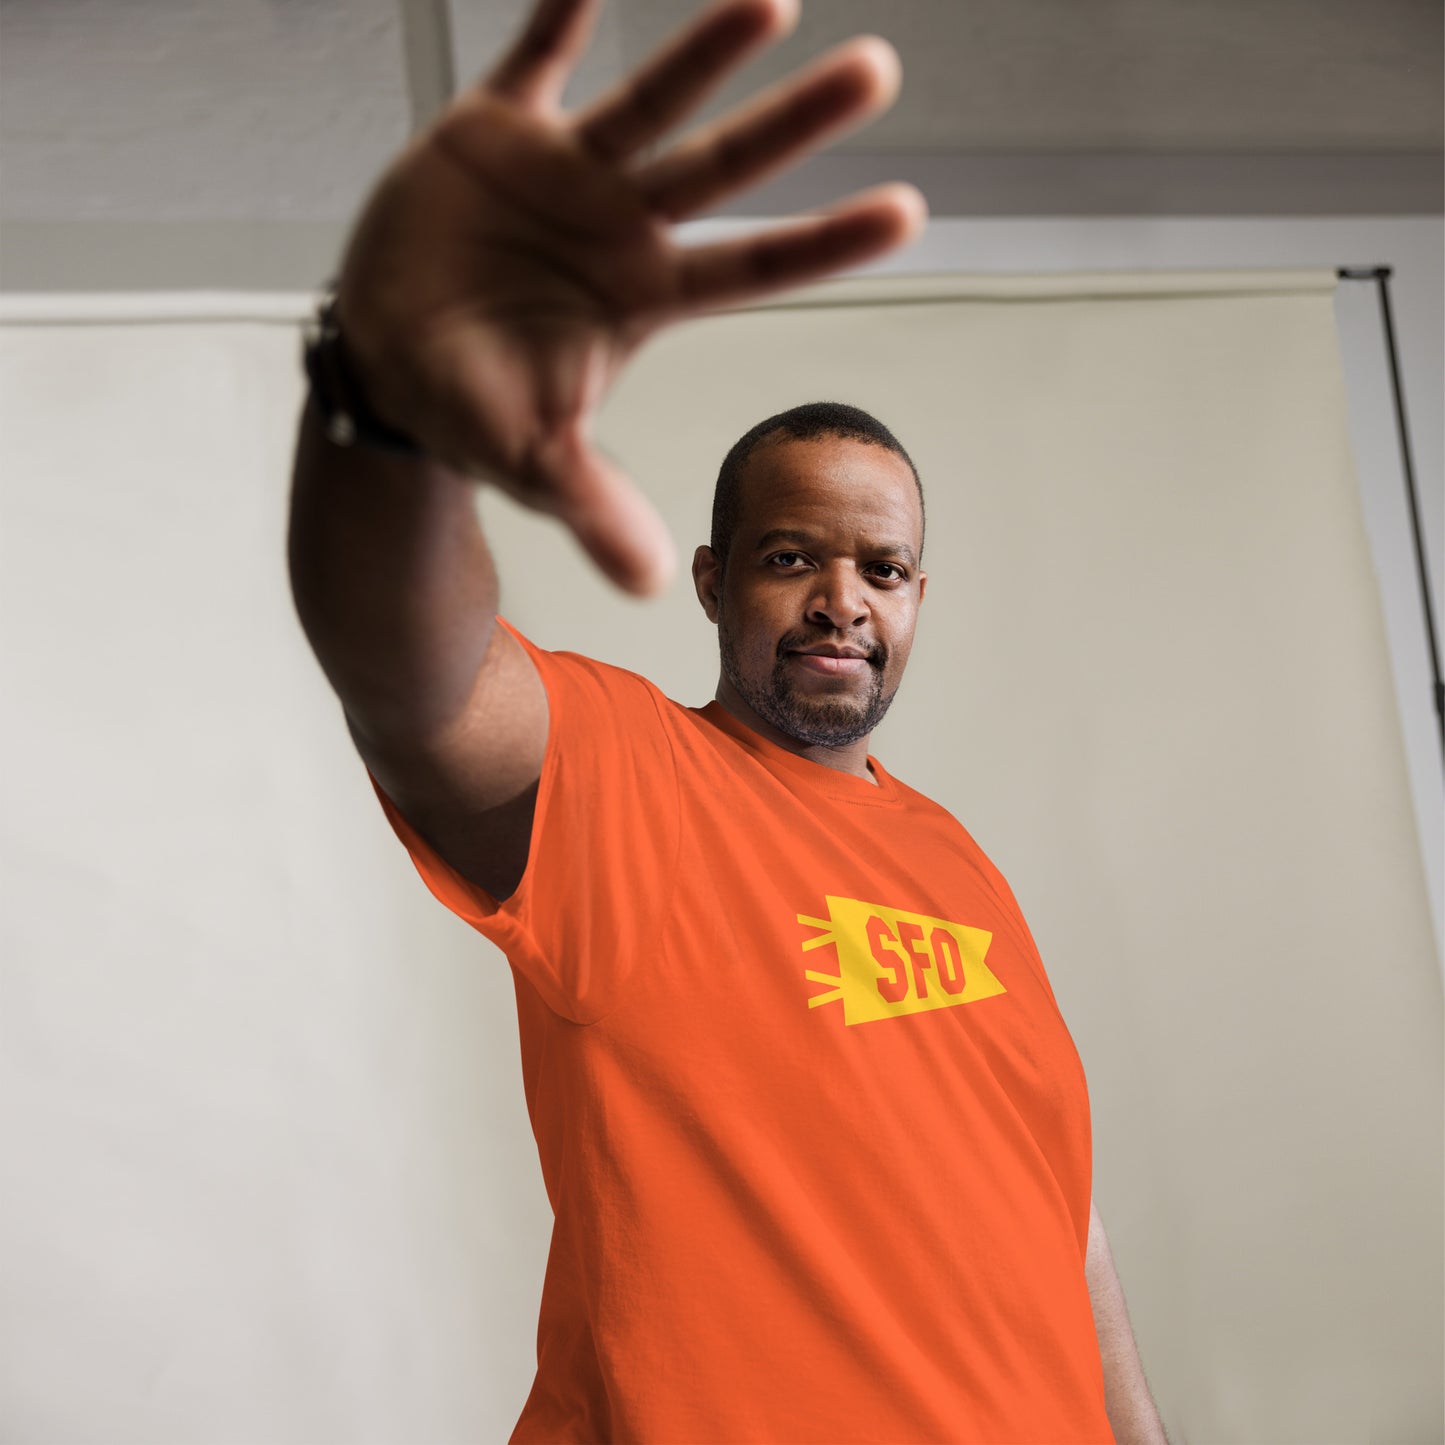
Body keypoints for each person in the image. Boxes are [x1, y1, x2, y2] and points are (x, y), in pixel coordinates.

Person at [287, 0, 1169, 1440]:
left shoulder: (955, 861)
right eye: (788, 557)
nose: (840, 599)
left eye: (879, 569)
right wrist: (390, 408)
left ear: (917, 596)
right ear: (712, 580)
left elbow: (1059, 1213)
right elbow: (415, 684)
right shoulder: (631, 776)